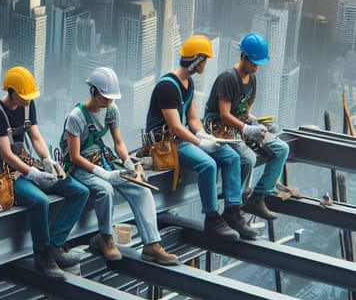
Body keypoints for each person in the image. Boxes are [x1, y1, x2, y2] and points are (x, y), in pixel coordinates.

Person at [0, 66, 89, 278]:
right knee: (40, 201)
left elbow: (36, 137)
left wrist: (46, 161)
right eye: (23, 97)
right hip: (5, 174)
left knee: (79, 192)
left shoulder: (27, 106)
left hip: (27, 165)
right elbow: (7, 155)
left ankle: (55, 246)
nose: (27, 101)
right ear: (11, 91)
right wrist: (33, 174)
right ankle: (42, 256)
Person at [145, 35, 257, 240]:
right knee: (208, 165)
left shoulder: (189, 84)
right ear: (197, 60)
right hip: (165, 142)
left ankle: (232, 211)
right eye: (204, 59)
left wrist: (204, 135)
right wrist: (199, 142)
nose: (205, 64)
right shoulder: (168, 87)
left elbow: (193, 119)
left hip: (182, 138)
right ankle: (212, 217)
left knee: (231, 157)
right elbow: (176, 127)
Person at [64, 68, 178, 264]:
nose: (108, 102)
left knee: (140, 188)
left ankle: (151, 244)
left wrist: (127, 162)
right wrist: (103, 174)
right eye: (105, 97)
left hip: (103, 158)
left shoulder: (111, 110)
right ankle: (105, 238)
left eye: (110, 98)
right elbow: (74, 156)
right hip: (81, 166)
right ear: (93, 91)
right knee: (105, 190)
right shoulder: (76, 117)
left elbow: (118, 142)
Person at [204, 32, 290, 221]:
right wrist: (246, 128)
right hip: (221, 128)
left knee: (282, 149)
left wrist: (255, 122)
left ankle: (258, 197)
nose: (256, 67)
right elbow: (225, 114)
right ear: (243, 56)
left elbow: (245, 109)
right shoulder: (228, 78)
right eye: (253, 62)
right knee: (247, 158)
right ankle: (235, 203)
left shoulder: (252, 79)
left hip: (242, 126)